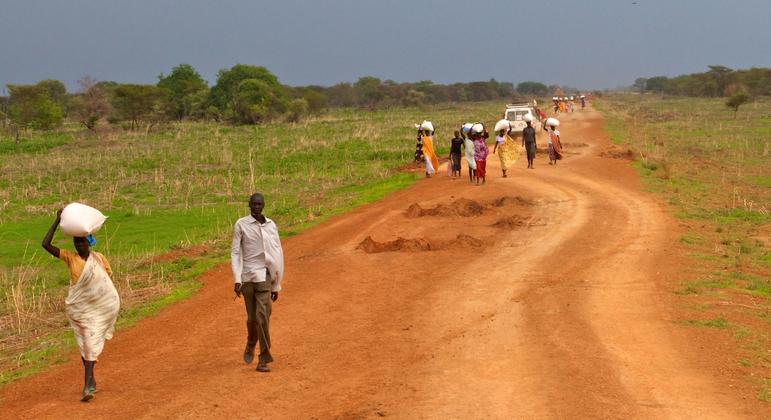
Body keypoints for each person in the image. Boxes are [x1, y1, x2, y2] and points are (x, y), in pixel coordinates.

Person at [42, 210, 120, 402]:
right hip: (80, 310)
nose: (78, 245)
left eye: (82, 242)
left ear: (89, 243)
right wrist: (56, 220)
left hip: (98, 310)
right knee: (85, 346)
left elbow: (106, 283)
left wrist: (105, 302)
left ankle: (87, 386)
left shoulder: (99, 259)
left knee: (90, 344)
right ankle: (91, 380)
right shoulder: (70, 258)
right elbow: (45, 244)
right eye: (76, 242)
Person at [232, 193, 285, 373]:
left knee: (262, 317)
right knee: (252, 319)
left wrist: (276, 283)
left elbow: (277, 253)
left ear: (263, 205)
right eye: (253, 204)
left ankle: (263, 359)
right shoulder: (241, 224)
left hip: (264, 276)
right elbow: (236, 253)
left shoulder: (270, 225)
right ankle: (251, 342)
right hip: (247, 278)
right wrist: (237, 279)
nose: (256, 207)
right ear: (249, 205)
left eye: (259, 204)